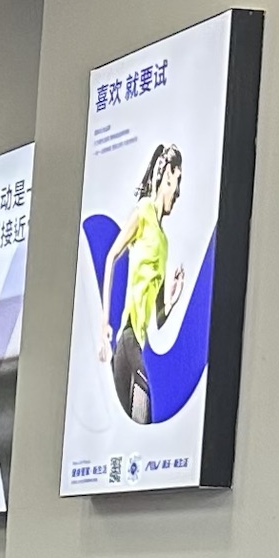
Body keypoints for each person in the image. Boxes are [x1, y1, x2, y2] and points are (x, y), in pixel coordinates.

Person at [100, 145, 187, 423]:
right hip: (126, 338)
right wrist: (104, 324)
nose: (178, 192)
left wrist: (172, 298)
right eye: (178, 180)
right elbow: (111, 256)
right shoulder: (144, 211)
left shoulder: (164, 242)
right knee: (143, 406)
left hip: (139, 341)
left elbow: (159, 318)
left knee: (135, 424)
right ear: (167, 176)